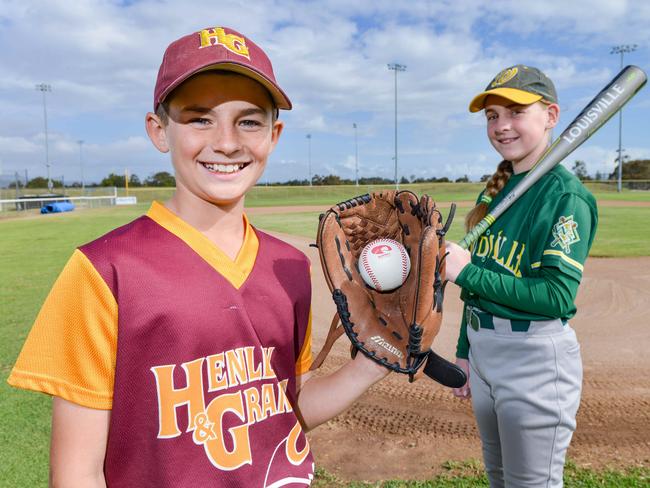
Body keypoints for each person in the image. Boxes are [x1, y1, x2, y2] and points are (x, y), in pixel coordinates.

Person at [8, 26, 388, 487]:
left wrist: (370, 364)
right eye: (199, 118)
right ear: (159, 130)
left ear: (275, 134)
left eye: (249, 121)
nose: (227, 142)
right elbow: (76, 472)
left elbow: (285, 407)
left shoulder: (289, 265)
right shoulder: (105, 270)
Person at [444, 65, 598, 488]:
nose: (501, 125)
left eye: (515, 112)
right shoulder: (494, 191)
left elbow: (555, 296)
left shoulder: (564, 196)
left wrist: (466, 272)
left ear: (550, 115)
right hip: (484, 348)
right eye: (492, 115)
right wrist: (464, 350)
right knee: (498, 478)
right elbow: (482, 280)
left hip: (533, 357)